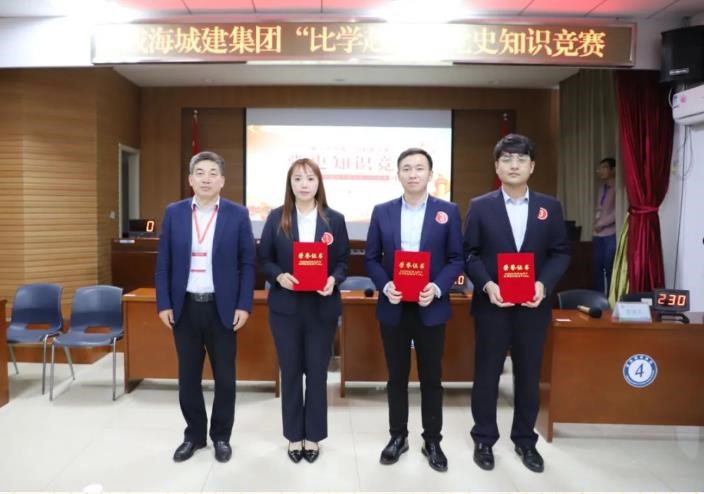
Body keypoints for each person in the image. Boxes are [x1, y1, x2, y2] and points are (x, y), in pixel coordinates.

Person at [463, 134, 570, 473]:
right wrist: (487, 285)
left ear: (532, 166)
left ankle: (525, 440)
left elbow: (560, 253)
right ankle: (483, 438)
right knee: (487, 374)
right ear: (496, 166)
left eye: (521, 159)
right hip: (492, 305)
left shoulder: (549, 207)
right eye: (507, 159)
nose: (514, 165)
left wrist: (543, 284)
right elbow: (470, 253)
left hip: (533, 307)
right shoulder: (481, 206)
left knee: (528, 374)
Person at [365, 148, 463, 473]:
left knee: (431, 377)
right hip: (394, 306)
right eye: (406, 168)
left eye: (419, 168)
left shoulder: (447, 211)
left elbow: (456, 259)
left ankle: (432, 440)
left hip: (430, 306)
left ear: (430, 174)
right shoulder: (382, 211)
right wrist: (385, 285)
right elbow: (371, 258)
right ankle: (398, 436)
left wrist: (436, 287)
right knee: (396, 377)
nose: (413, 174)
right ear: (398, 174)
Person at [155, 151, 256, 463]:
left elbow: (248, 263)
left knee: (225, 377)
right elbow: (164, 262)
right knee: (188, 376)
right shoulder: (174, 213)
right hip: (185, 307)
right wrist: (163, 303)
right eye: (200, 173)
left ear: (222, 181)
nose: (206, 179)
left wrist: (244, 305)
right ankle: (194, 436)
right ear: (190, 179)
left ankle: (221, 436)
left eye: (213, 173)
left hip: (222, 308)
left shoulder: (237, 214)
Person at [259, 158, 349, 464]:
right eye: (298, 178)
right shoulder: (277, 217)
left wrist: (333, 279)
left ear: (318, 183)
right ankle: (294, 436)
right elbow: (265, 259)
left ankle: (313, 436)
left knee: (317, 373)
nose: (304, 184)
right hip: (286, 307)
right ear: (290, 184)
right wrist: (279, 276)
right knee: (291, 372)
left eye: (310, 178)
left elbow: (343, 261)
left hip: (321, 308)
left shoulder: (334, 219)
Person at [592, 157, 616, 295]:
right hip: (598, 234)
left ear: (613, 170)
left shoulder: (617, 188)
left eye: (604, 167)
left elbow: (617, 212)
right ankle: (598, 299)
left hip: (610, 234)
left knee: (609, 268)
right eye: (599, 168)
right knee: (596, 269)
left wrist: (601, 224)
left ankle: (610, 299)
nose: (600, 171)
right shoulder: (602, 188)